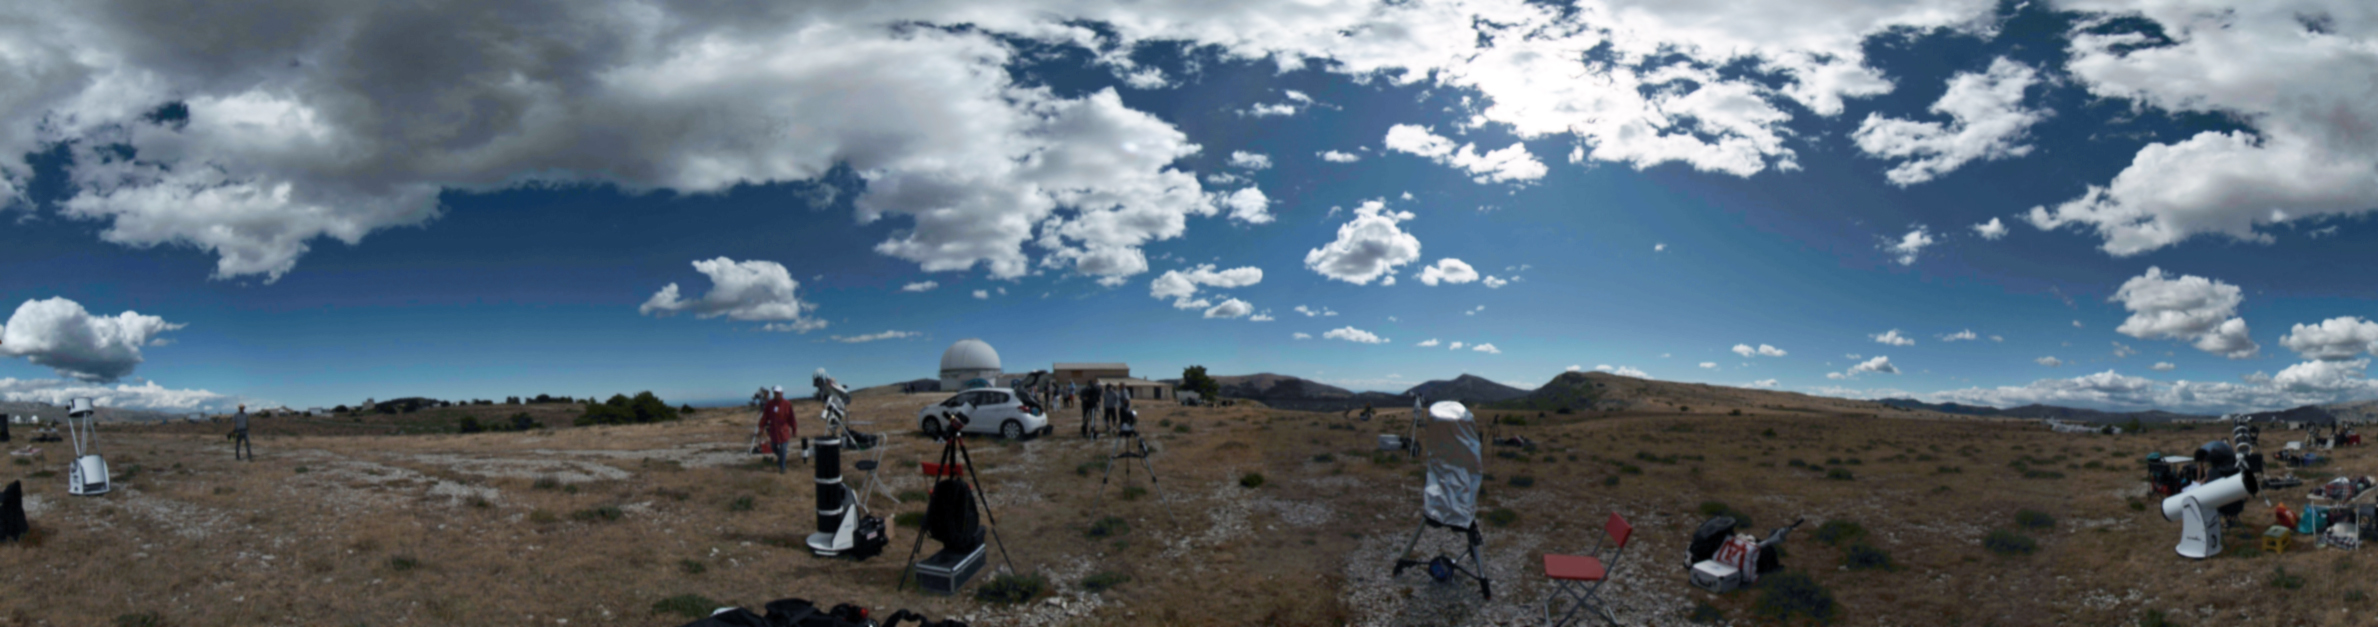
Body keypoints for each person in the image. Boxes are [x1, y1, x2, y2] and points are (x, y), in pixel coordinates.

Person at [760, 386, 797, 473]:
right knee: (773, 447)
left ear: (781, 393)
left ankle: (782, 467)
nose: (776, 395)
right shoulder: (770, 404)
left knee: (783, 449)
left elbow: (791, 418)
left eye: (778, 393)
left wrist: (794, 429)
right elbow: (765, 417)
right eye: (775, 393)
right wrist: (761, 426)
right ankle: (781, 460)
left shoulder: (787, 404)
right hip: (774, 431)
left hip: (784, 431)